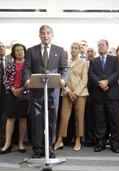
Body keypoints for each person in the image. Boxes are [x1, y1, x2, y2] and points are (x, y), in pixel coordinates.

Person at [23, 25, 69, 158]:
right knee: (37, 119)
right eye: (43, 33)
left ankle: (49, 148)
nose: (45, 35)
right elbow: (27, 68)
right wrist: (27, 80)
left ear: (52, 35)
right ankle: (37, 148)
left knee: (52, 120)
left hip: (53, 90)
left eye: (48, 33)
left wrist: (63, 80)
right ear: (39, 35)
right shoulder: (31, 50)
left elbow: (65, 68)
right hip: (36, 91)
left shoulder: (59, 50)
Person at [88, 39, 119, 153]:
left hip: (112, 94)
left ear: (107, 47)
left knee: (114, 121)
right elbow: (91, 74)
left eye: (102, 45)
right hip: (98, 94)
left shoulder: (114, 59)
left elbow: (117, 73)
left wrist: (107, 81)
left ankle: (115, 143)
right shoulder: (93, 61)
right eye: (99, 45)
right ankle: (100, 143)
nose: (100, 47)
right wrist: (100, 82)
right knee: (100, 121)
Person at [54, 42, 89, 151]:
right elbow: (61, 78)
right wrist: (68, 91)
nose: (73, 50)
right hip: (66, 92)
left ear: (79, 50)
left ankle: (78, 139)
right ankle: (59, 140)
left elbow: (84, 80)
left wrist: (76, 92)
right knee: (64, 117)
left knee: (79, 117)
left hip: (80, 94)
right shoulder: (65, 63)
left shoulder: (83, 63)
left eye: (76, 48)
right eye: (72, 48)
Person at [0, 43, 29, 154]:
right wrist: (12, 89)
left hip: (25, 94)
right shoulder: (9, 65)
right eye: (17, 50)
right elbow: (5, 79)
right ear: (13, 52)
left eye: (21, 49)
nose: (20, 52)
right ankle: (7, 143)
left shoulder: (29, 66)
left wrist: (21, 89)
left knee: (22, 118)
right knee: (10, 118)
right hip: (11, 94)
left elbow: (31, 80)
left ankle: (21, 143)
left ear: (25, 52)